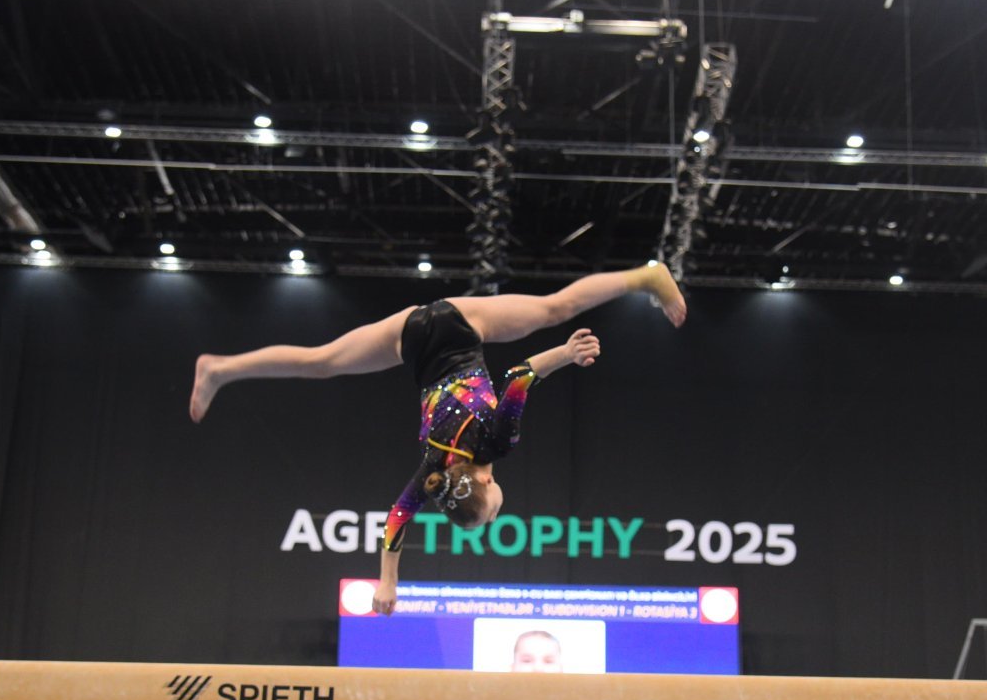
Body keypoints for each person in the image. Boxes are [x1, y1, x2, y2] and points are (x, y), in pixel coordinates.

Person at [189, 263, 686, 614]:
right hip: (409, 338)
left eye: (492, 511)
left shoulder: (496, 444)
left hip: (461, 324)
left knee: (557, 309)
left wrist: (566, 353)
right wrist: (388, 581)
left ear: (486, 488)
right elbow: (397, 519)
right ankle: (221, 369)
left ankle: (646, 276)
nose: (499, 510)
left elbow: (518, 375)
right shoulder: (432, 468)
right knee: (319, 364)